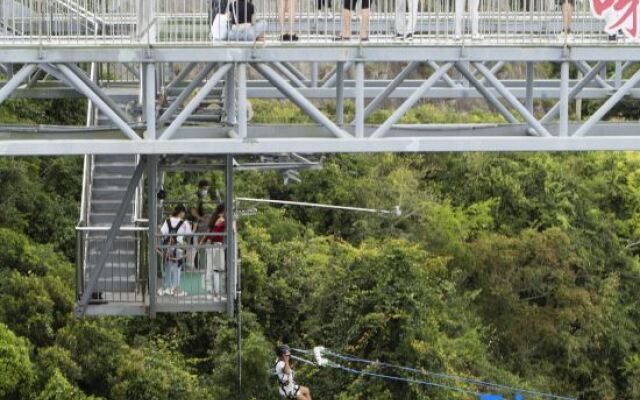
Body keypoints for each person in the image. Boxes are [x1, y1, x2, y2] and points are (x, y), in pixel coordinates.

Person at [159, 204, 191, 297]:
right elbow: (189, 234)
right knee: (177, 268)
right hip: (178, 248)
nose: (184, 214)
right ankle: (175, 289)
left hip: (167, 248)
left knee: (168, 267)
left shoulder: (167, 221)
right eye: (184, 212)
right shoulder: (184, 223)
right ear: (181, 212)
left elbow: (162, 233)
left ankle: (167, 288)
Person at [201, 204, 226, 295]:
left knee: (209, 267)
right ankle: (216, 291)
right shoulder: (222, 221)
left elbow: (209, 232)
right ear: (223, 211)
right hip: (217, 246)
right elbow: (216, 233)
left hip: (210, 245)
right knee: (216, 269)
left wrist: (204, 241)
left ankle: (209, 289)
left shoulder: (214, 219)